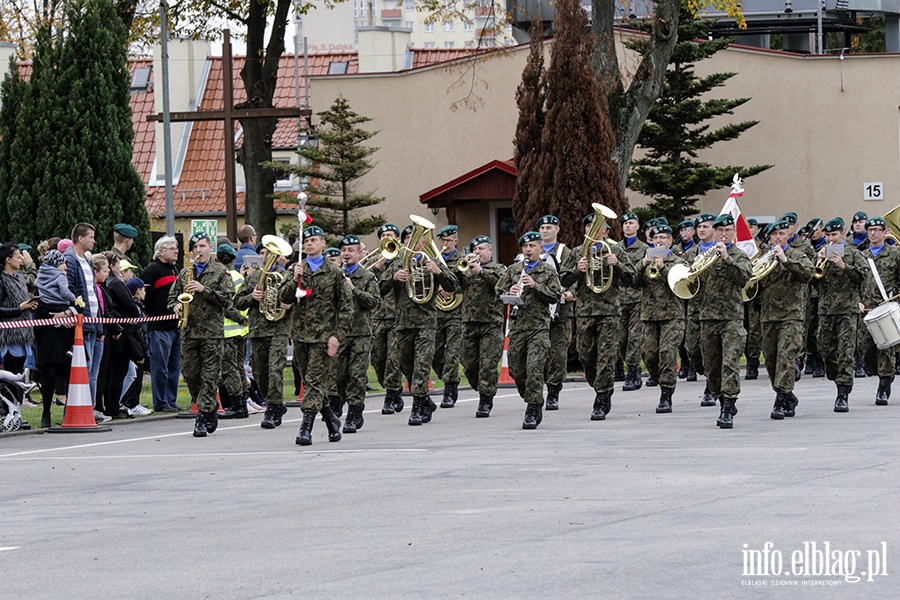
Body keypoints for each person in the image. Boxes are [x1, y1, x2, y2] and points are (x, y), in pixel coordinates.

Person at [380, 221, 458, 426]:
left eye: (415, 238)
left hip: (426, 322)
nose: (412, 242)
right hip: (403, 323)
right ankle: (425, 400)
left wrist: (438, 272)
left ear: (423, 241)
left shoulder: (431, 260)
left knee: (422, 364)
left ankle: (416, 407)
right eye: (407, 239)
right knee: (406, 364)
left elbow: (453, 285)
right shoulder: (397, 262)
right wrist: (394, 277)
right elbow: (379, 289)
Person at [280, 225, 352, 445]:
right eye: (306, 241)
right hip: (301, 336)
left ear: (323, 244)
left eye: (314, 240)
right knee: (312, 381)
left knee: (313, 382)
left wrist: (337, 336)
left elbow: (346, 307)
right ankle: (331, 419)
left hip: (323, 337)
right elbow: (283, 299)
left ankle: (306, 428)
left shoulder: (334, 272)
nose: (309, 244)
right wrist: (294, 280)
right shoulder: (297, 269)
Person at [561, 213, 635, 421]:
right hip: (585, 311)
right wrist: (577, 270)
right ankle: (602, 385)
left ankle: (601, 397)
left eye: (598, 227)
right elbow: (563, 281)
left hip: (610, 311)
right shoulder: (577, 252)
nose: (592, 230)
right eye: (589, 227)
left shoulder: (616, 250)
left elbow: (632, 279)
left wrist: (617, 264)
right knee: (585, 354)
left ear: (606, 231)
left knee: (606, 356)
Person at [168, 232, 235, 437]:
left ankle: (202, 417)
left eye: (202, 246)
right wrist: (176, 306)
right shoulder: (184, 272)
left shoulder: (221, 272)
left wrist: (203, 289)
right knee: (190, 375)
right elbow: (172, 296)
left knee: (209, 376)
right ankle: (210, 406)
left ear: (210, 248)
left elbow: (227, 299)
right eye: (195, 247)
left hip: (211, 333)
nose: (199, 250)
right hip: (188, 331)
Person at [496, 231, 561, 429]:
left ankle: (533, 407)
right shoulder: (514, 270)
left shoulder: (547, 271)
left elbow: (555, 295)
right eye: (525, 247)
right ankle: (532, 397)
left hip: (538, 328)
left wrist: (535, 285)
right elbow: (498, 291)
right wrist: (510, 293)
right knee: (517, 369)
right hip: (517, 328)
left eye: (532, 246)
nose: (528, 250)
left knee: (534, 368)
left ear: (540, 248)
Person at [695, 214, 753, 429]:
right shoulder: (703, 256)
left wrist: (727, 259)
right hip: (708, 318)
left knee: (729, 363)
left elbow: (745, 278)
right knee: (711, 368)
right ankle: (722, 398)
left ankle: (727, 407)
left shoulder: (738, 255)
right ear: (714, 232)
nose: (724, 234)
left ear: (733, 233)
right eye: (720, 231)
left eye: (728, 230)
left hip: (731, 318)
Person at [757, 220, 814, 419]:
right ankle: (789, 396)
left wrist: (786, 261)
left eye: (782, 233)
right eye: (774, 234)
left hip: (792, 315)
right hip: (768, 315)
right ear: (770, 237)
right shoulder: (763, 257)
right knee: (771, 360)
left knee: (786, 357)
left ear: (788, 234)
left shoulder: (797, 254)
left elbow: (808, 274)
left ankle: (780, 400)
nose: (778, 237)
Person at [234, 240, 292, 426]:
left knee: (275, 370)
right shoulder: (253, 277)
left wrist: (288, 304)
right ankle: (274, 402)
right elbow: (238, 302)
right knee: (260, 373)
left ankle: (273, 409)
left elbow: (299, 300)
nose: (266, 256)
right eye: (264, 253)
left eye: (270, 253)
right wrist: (252, 297)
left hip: (278, 329)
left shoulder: (286, 276)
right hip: (258, 331)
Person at [816, 217, 867, 412]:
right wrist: (819, 261)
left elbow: (862, 277)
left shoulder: (853, 254)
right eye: (827, 235)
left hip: (847, 310)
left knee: (845, 352)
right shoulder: (821, 254)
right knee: (825, 349)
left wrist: (842, 265)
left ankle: (843, 392)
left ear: (842, 234)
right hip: (826, 310)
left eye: (834, 235)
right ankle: (835, 375)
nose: (830, 239)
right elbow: (812, 281)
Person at [635, 225, 686, 413]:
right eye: (655, 237)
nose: (659, 241)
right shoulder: (646, 261)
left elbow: (680, 283)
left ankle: (666, 394)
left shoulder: (678, 261)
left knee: (667, 352)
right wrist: (642, 264)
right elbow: (631, 281)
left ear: (670, 241)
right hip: (649, 316)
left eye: (663, 238)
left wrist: (663, 268)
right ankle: (658, 378)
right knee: (648, 354)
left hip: (672, 316)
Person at [331, 234, 379, 433]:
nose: (346, 254)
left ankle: (354, 411)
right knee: (339, 376)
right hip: (340, 333)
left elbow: (373, 302)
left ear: (359, 254)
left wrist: (354, 290)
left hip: (360, 332)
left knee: (356, 375)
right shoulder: (334, 275)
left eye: (351, 250)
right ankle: (348, 402)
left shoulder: (367, 277)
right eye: (344, 250)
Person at [459, 235, 506, 418]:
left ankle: (485, 399)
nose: (477, 252)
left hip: (490, 324)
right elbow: (453, 285)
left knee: (488, 365)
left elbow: (501, 285)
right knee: (469, 365)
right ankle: (483, 388)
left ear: (490, 250)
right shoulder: (467, 269)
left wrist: (481, 271)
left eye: (481, 249)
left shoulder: (498, 268)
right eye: (475, 249)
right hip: (469, 322)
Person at [858, 216, 899, 405]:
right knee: (865, 348)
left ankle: (884, 383)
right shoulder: (862, 256)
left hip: (886, 308)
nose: (872, 233)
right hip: (866, 309)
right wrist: (857, 301)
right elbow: (855, 281)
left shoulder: (895, 254)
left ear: (885, 232)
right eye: (870, 230)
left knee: (886, 348)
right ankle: (879, 373)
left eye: (876, 230)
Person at [34, 250, 77, 429]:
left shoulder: (67, 284)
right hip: (49, 337)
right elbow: (39, 310)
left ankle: (69, 411)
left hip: (66, 335)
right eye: (62, 264)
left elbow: (78, 305)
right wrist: (57, 317)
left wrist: (66, 313)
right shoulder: (41, 286)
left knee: (69, 373)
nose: (65, 267)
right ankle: (46, 412)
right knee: (49, 375)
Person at [140, 236, 182, 413]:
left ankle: (171, 400)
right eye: (172, 248)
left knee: (174, 366)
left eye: (176, 248)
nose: (176, 251)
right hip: (160, 327)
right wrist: (152, 315)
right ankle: (161, 401)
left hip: (176, 326)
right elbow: (144, 296)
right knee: (160, 367)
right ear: (161, 251)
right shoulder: (153, 270)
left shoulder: (175, 269)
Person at [535, 215, 572, 409]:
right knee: (539, 354)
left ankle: (554, 391)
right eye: (542, 228)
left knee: (557, 353)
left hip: (561, 311)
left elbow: (575, 276)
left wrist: (570, 292)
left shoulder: (565, 252)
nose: (545, 230)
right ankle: (537, 390)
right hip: (538, 313)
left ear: (557, 229)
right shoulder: (532, 251)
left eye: (549, 227)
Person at [0, 243, 37, 428]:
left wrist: (29, 306)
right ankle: (7, 414)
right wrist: (18, 309)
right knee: (10, 376)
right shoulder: (1, 280)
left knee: (20, 376)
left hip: (23, 334)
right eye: (17, 256)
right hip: (9, 335)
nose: (21, 259)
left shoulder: (20, 279)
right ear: (8, 259)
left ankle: (17, 414)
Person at [64, 223, 102, 402]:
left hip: (93, 322)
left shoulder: (87, 260)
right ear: (80, 238)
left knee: (92, 371)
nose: (94, 241)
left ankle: (91, 408)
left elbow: (93, 293)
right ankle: (84, 406)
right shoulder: (70, 259)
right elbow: (68, 288)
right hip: (82, 323)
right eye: (91, 237)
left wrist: (100, 325)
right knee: (84, 369)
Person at [369, 224, 405, 414]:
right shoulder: (375, 261)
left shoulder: (403, 261)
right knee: (377, 358)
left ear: (397, 239)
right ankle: (394, 388)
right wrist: (377, 267)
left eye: (389, 235)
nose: (385, 238)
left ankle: (390, 396)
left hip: (397, 317)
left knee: (393, 357)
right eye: (382, 235)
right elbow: (368, 284)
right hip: (377, 316)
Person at [683, 213, 717, 405]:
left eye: (706, 226)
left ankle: (711, 388)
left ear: (714, 229)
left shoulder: (720, 251)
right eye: (699, 227)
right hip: (695, 308)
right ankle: (710, 373)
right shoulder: (690, 254)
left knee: (710, 350)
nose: (702, 230)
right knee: (693, 348)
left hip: (715, 309)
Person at [95, 253, 133, 420]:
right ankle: (111, 406)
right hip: (115, 333)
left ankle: (107, 405)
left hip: (110, 331)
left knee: (107, 372)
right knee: (116, 372)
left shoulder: (105, 284)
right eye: (118, 264)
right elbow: (126, 306)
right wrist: (116, 327)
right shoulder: (114, 283)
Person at [216, 244, 250, 420]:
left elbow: (225, 306)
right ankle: (243, 402)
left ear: (217, 259)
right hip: (241, 330)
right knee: (239, 368)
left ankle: (237, 405)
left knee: (229, 370)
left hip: (227, 330)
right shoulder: (239, 277)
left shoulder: (222, 277)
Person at [433, 225, 464, 408]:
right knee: (435, 353)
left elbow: (468, 284)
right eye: (443, 241)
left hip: (456, 313)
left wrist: (452, 288)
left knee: (452, 352)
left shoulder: (462, 260)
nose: (445, 244)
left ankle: (450, 387)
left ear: (456, 241)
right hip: (437, 312)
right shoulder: (434, 260)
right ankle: (446, 377)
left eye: (449, 241)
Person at [617, 211, 648, 392]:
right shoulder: (616, 248)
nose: (628, 226)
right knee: (621, 339)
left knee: (635, 338)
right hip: (620, 300)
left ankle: (633, 372)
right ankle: (630, 367)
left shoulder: (644, 248)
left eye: (631, 223)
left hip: (637, 298)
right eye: (625, 223)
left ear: (638, 227)